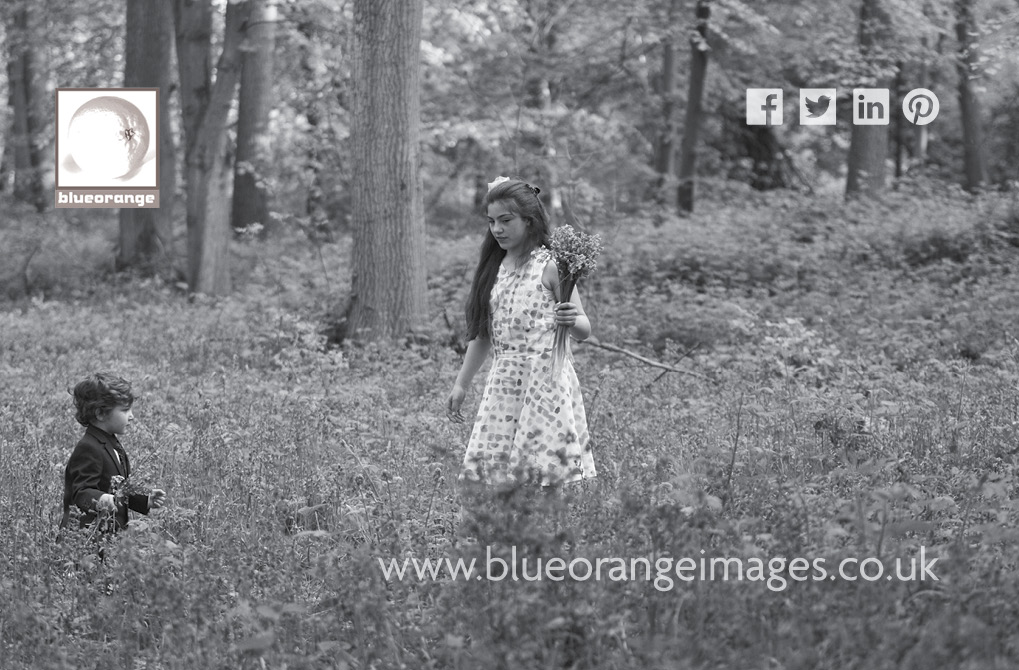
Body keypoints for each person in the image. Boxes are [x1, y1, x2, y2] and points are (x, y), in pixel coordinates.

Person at [446, 176, 596, 486]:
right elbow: (483, 335)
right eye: (491, 222)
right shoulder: (495, 268)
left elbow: (584, 329)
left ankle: (546, 528)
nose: (496, 229)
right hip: (504, 384)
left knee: (544, 471)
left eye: (505, 220)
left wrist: (570, 319)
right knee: (496, 471)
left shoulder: (551, 265)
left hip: (546, 384)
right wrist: (461, 384)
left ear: (529, 221)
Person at [60, 373, 166, 533]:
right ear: (101, 413)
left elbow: (118, 486)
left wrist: (144, 499)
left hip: (109, 537)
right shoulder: (88, 447)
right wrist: (102, 500)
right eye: (125, 410)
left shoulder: (110, 441)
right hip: (85, 539)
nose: (132, 416)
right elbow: (81, 492)